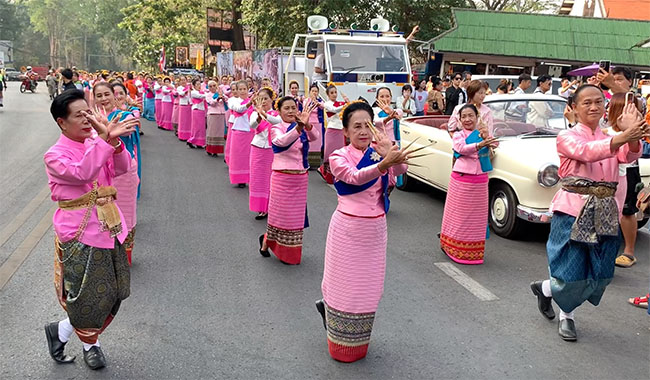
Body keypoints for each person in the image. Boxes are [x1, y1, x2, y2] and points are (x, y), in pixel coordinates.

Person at [530, 84, 645, 342]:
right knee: (572, 273)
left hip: (605, 213)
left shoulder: (608, 135)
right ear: (574, 108)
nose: (594, 107)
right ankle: (566, 316)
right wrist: (623, 135)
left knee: (601, 274)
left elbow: (630, 154)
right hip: (573, 211)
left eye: (598, 102)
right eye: (587, 103)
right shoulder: (567, 136)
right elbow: (587, 152)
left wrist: (632, 134)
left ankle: (545, 289)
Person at [43, 89, 137, 370]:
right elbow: (83, 172)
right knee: (87, 295)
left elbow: (123, 167)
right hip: (80, 231)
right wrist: (105, 139)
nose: (87, 119)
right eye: (79, 115)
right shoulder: (55, 155)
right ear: (62, 122)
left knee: (114, 291)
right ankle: (90, 346)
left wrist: (115, 142)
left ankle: (60, 330)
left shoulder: (98, 142)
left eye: (89, 112)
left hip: (110, 225)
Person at [315, 101, 408, 363]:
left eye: (367, 125)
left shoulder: (380, 150)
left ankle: (358, 341)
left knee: (369, 289)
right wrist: (382, 163)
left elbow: (399, 173)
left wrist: (392, 154)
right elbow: (353, 178)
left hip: (376, 228)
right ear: (345, 131)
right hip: (347, 229)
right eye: (356, 126)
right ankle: (336, 331)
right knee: (344, 286)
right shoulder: (338, 156)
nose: (362, 131)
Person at [258, 96, 318, 265]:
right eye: (287, 108)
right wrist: (299, 127)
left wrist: (306, 125)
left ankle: (286, 250)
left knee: (294, 218)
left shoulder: (301, 126)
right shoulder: (276, 128)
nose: (291, 111)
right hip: (282, 177)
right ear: (279, 111)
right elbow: (281, 142)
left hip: (300, 177)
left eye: (294, 108)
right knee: (279, 217)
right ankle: (268, 243)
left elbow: (315, 136)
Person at [440, 104, 498, 265]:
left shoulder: (482, 133)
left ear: (477, 117)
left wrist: (486, 137)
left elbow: (495, 145)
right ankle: (453, 248)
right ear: (459, 119)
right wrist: (479, 144)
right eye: (463, 116)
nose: (467, 119)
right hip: (461, 178)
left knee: (477, 218)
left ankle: (473, 252)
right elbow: (460, 148)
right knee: (459, 216)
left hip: (480, 178)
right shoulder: (458, 135)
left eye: (470, 116)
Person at [603, 94, 644, 268]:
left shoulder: (633, 132)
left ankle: (629, 251)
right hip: (609, 177)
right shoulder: (605, 130)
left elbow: (631, 152)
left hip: (627, 174)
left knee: (627, 212)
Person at [108, 82, 142, 265]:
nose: (116, 96)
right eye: (111, 93)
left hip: (125, 165)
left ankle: (124, 253)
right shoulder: (95, 117)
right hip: (103, 168)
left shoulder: (127, 114)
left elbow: (133, 123)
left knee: (125, 210)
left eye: (120, 93)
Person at [249, 88, 280, 219]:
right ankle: (261, 208)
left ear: (272, 99)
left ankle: (271, 207)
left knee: (271, 179)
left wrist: (265, 114)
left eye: (266, 99)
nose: (263, 102)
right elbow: (253, 125)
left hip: (271, 149)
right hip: (258, 147)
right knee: (258, 178)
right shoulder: (254, 113)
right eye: (260, 99)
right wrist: (259, 115)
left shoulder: (277, 114)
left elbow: (277, 122)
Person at [318, 84, 349, 184]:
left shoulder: (339, 103)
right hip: (331, 130)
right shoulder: (327, 104)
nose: (334, 94)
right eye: (332, 93)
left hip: (340, 130)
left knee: (340, 153)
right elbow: (334, 110)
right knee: (330, 153)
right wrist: (345, 105)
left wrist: (348, 103)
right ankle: (327, 174)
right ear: (327, 94)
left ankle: (337, 175)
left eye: (335, 92)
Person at [228, 80, 256, 186]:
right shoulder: (233, 101)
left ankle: (250, 177)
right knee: (239, 157)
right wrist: (249, 103)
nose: (243, 91)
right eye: (240, 89)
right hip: (239, 130)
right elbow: (239, 109)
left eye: (245, 89)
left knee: (249, 156)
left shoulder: (253, 101)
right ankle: (239, 179)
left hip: (250, 131)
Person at [304, 83, 325, 167]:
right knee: (309, 142)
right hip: (309, 123)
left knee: (317, 143)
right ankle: (308, 161)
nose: (314, 93)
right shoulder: (306, 100)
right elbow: (306, 109)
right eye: (313, 91)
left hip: (318, 123)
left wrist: (317, 103)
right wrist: (312, 102)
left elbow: (323, 107)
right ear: (310, 92)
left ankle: (316, 163)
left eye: (316, 91)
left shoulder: (320, 101)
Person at [205, 80, 227, 156]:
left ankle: (217, 149)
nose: (213, 87)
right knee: (212, 131)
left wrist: (223, 97)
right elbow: (212, 103)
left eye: (214, 85)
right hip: (212, 114)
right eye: (210, 86)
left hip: (221, 114)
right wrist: (217, 98)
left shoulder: (220, 93)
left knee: (219, 132)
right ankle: (210, 148)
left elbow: (227, 101)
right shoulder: (208, 95)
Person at [188, 78, 207, 148]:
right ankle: (191, 140)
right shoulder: (193, 92)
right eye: (197, 84)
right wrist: (208, 95)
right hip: (196, 109)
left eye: (200, 84)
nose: (199, 86)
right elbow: (200, 96)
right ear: (193, 85)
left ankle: (199, 142)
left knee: (201, 127)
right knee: (197, 127)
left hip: (201, 110)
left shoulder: (201, 92)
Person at [176, 78, 192, 142]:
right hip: (183, 105)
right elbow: (181, 94)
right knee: (183, 121)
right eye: (182, 80)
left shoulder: (190, 87)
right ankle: (182, 135)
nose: (183, 81)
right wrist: (187, 89)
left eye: (184, 80)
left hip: (189, 105)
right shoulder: (179, 88)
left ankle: (189, 135)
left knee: (189, 121)